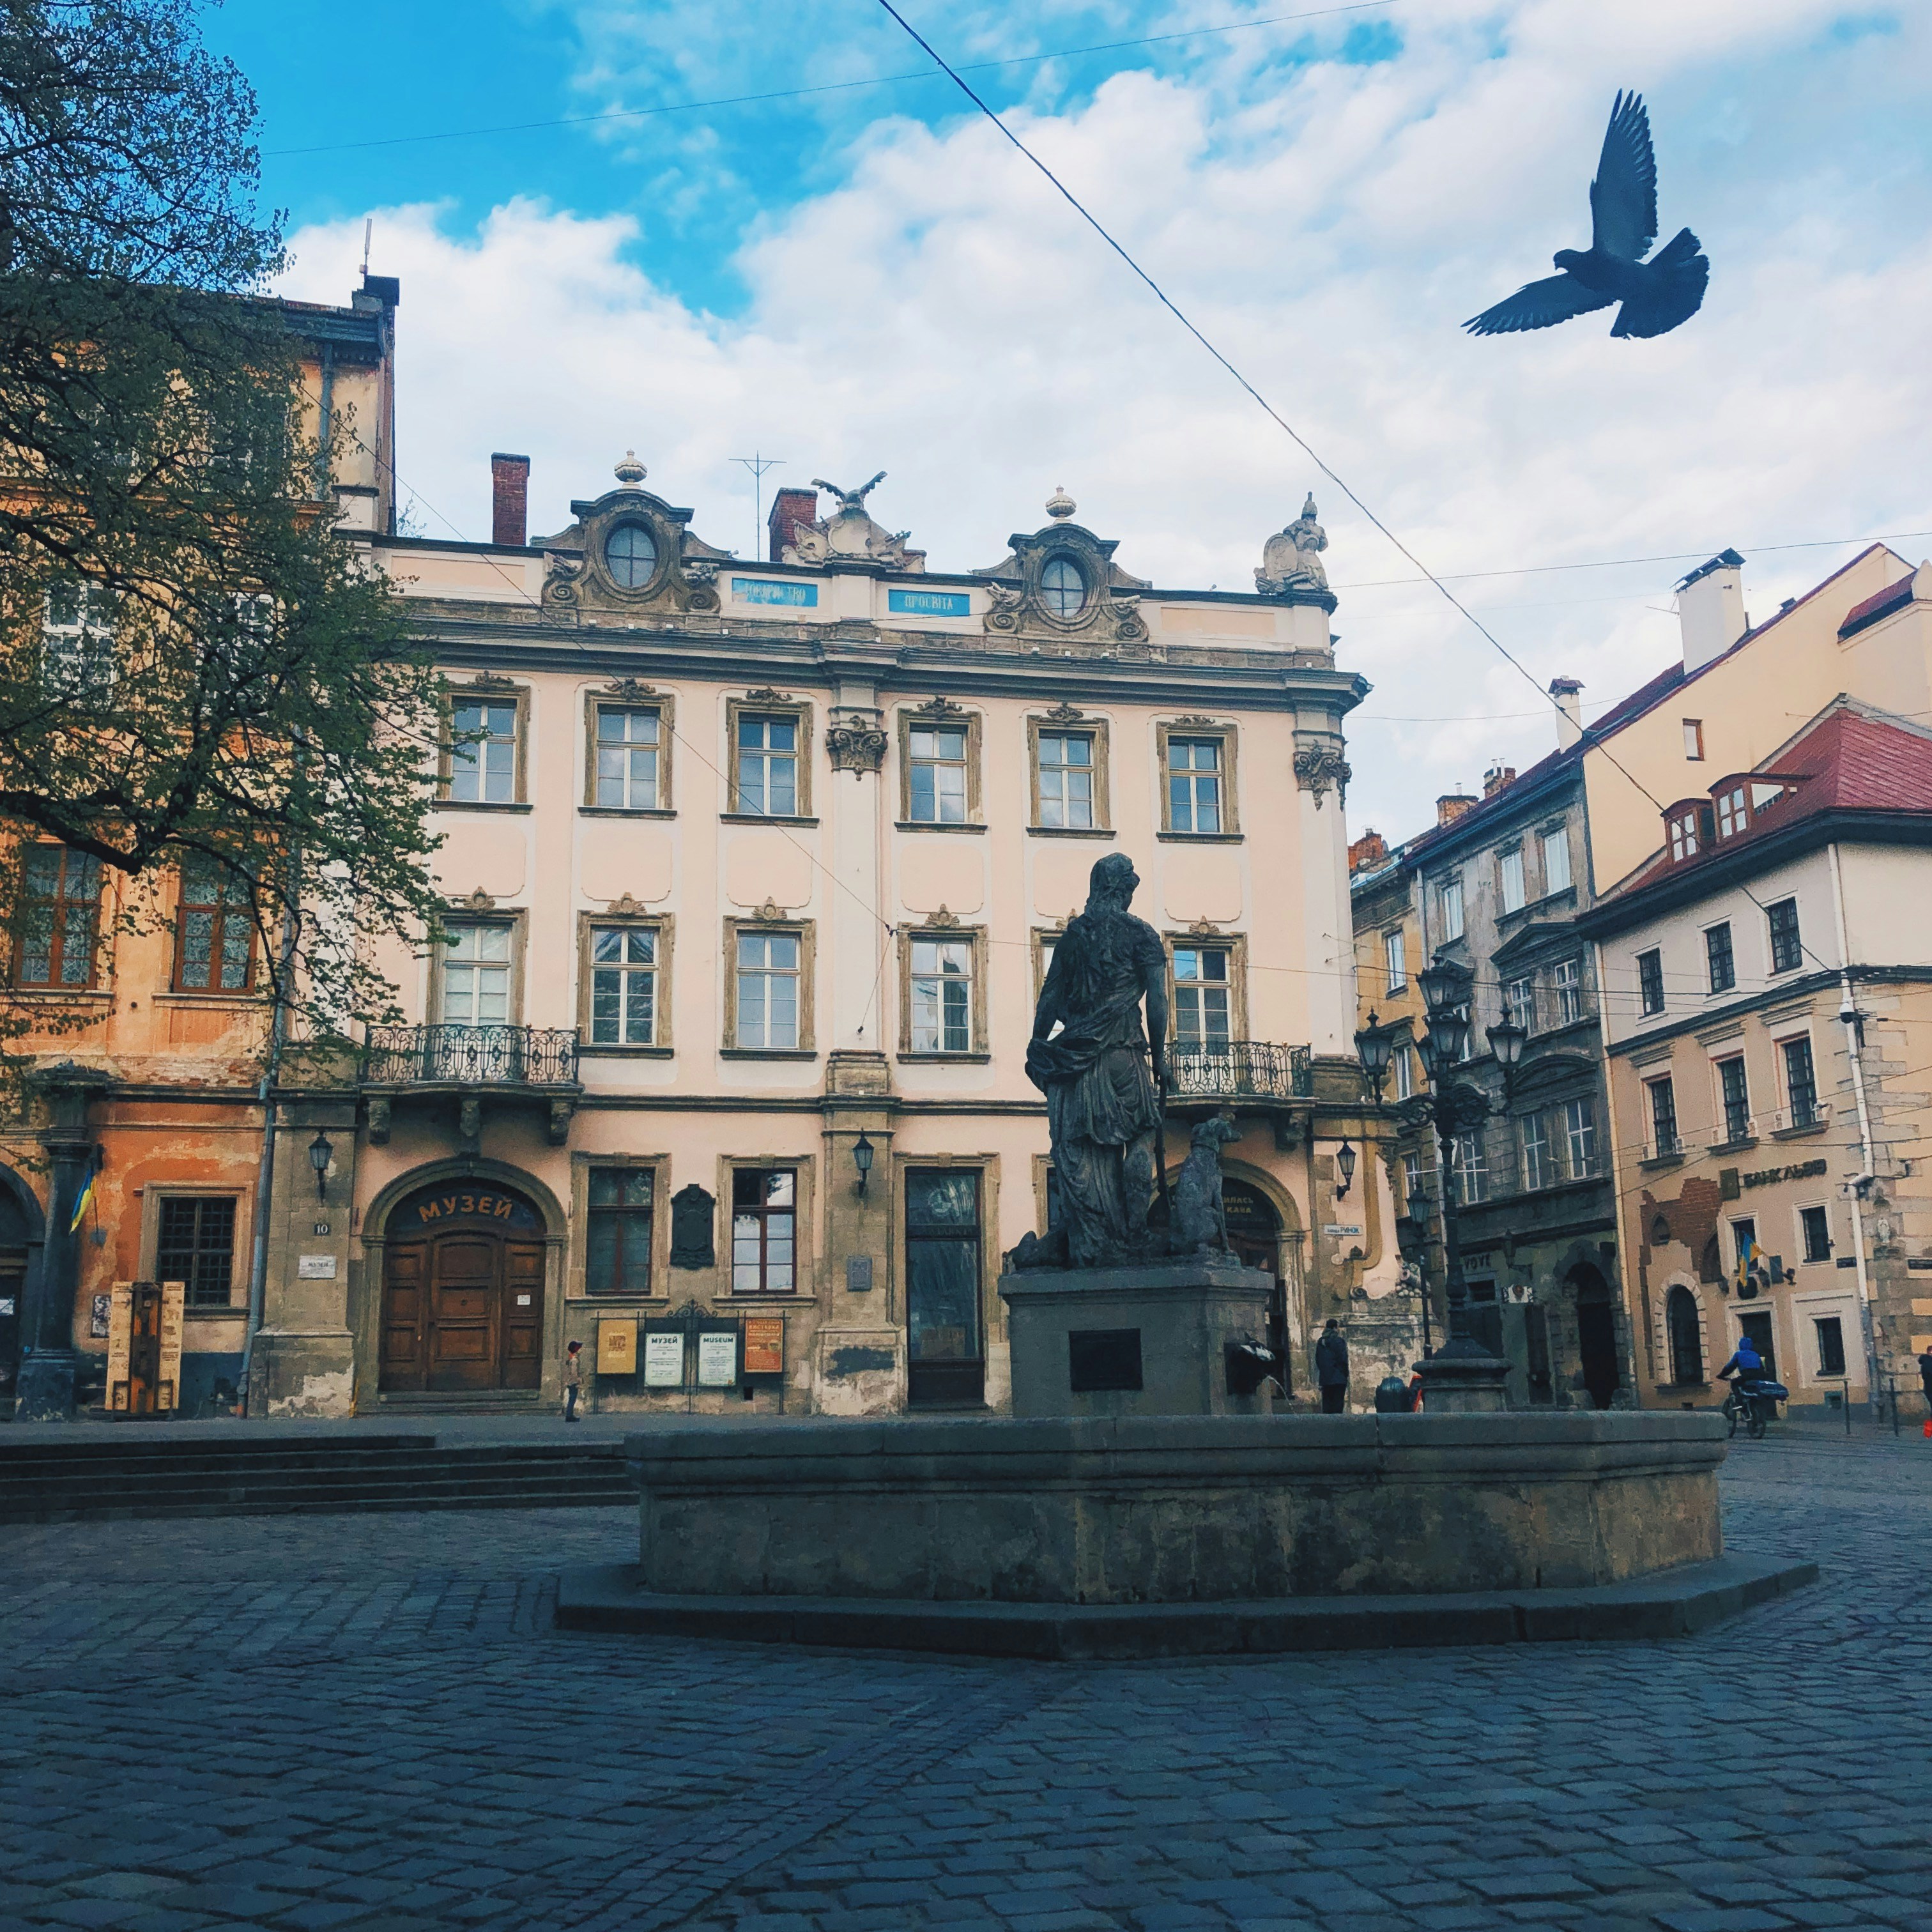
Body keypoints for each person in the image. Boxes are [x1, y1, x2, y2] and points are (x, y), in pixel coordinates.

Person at [1315, 1319, 1349, 1414]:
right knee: (1338, 1406)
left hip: (1326, 1379)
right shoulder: (1339, 1341)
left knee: (1327, 1406)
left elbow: (1318, 1360)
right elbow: (1343, 1360)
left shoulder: (1321, 1342)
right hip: (1339, 1378)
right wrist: (1345, 1374)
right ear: (1335, 1328)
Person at [563, 1338, 585, 1422]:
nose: (581, 1350)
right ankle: (569, 1415)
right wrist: (578, 1381)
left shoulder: (571, 1358)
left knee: (571, 1399)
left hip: (570, 1382)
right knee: (572, 1399)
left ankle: (570, 1415)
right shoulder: (575, 1360)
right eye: (579, 1349)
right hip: (573, 1382)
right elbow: (574, 1372)